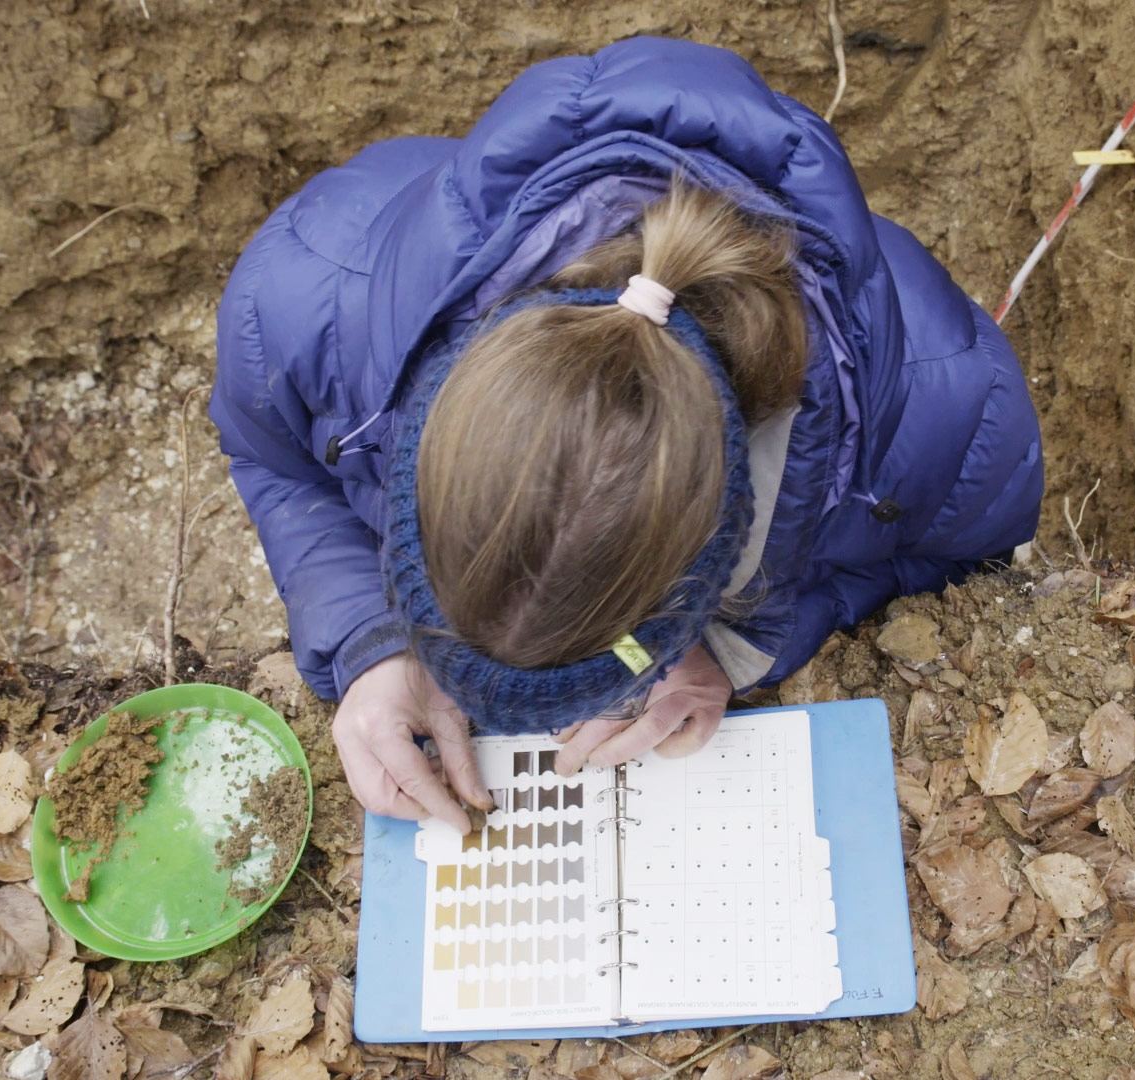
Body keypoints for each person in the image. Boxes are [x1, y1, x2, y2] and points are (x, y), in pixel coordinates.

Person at [211, 37, 1043, 832]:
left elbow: (960, 565)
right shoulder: (307, 303)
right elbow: (273, 455)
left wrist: (735, 645)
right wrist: (370, 640)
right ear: (415, 451)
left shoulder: (953, 418)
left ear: (708, 567)